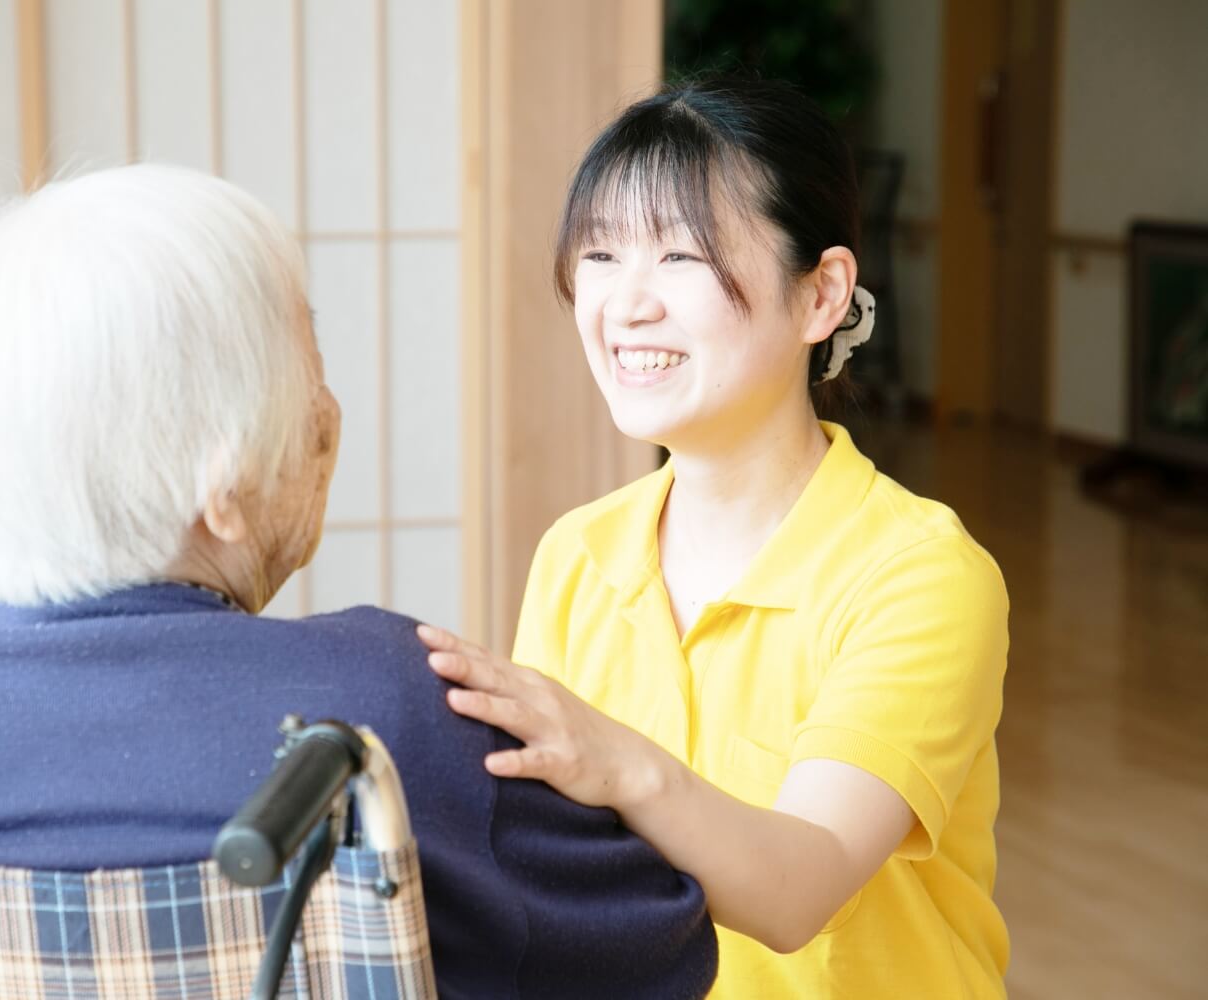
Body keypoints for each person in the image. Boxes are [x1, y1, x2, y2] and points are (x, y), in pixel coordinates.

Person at [0, 164, 716, 999]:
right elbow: (659, 950)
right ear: (222, 487)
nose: (329, 410)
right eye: (309, 362)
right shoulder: (386, 719)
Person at [417, 78, 1010, 998]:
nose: (626, 303)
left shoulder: (923, 575)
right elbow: (553, 868)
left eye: (682, 256)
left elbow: (797, 887)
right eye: (603, 253)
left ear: (822, 295)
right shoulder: (577, 553)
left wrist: (608, 759)